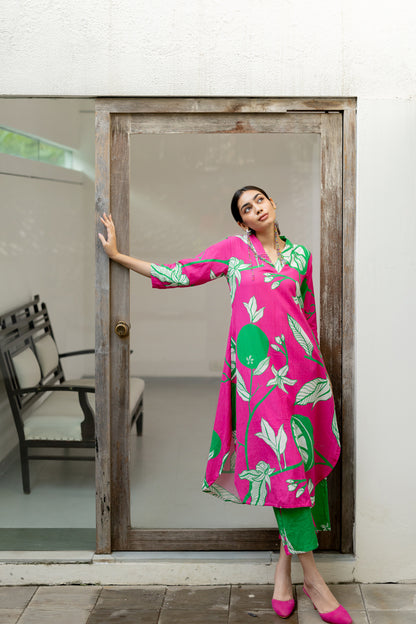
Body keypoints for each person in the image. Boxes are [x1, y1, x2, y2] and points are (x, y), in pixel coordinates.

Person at [99, 186, 352, 624]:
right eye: (246, 208)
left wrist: (316, 370)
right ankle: (313, 578)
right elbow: (180, 272)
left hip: (303, 374)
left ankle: (283, 572)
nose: (256, 209)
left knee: (300, 464)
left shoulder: (301, 256)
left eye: (259, 200)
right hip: (259, 378)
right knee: (285, 466)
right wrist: (119, 257)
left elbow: (307, 315)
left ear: (273, 204)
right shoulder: (233, 251)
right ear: (242, 222)